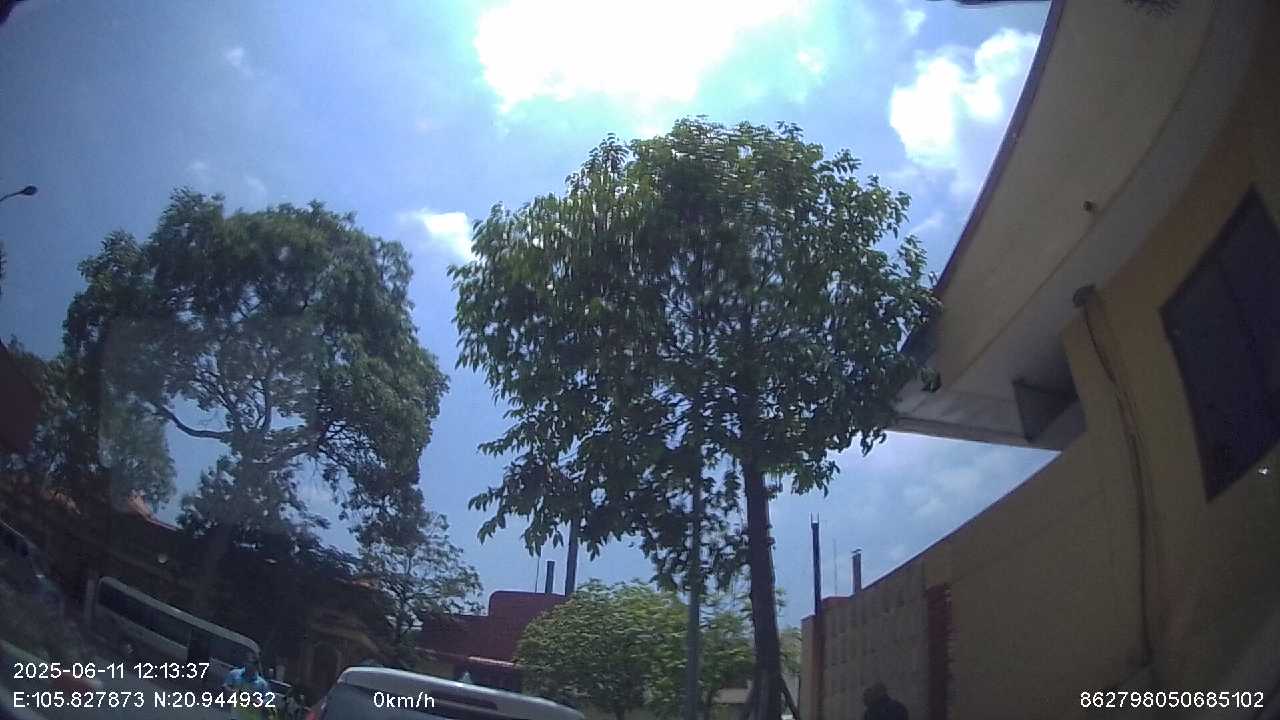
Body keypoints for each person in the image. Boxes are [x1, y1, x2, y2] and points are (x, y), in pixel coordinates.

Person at [222, 655, 271, 720]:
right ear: (244, 662)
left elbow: (267, 700)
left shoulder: (262, 684)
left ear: (256, 666)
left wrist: (253, 700)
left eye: (252, 664)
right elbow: (225, 686)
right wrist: (231, 691)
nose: (249, 665)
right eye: (248, 662)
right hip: (236, 716)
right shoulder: (235, 674)